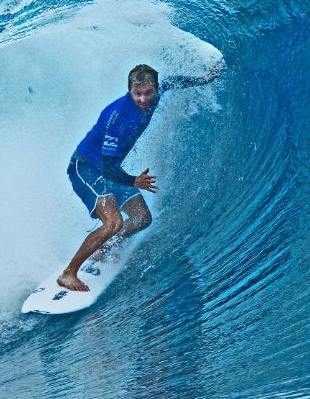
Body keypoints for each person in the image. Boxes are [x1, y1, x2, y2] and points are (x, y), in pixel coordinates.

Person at [59, 60, 222, 291]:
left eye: (148, 93)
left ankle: (102, 249)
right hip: (86, 168)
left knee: (142, 219)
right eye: (137, 94)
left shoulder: (158, 91)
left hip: (111, 171)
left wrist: (206, 77)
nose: (144, 99)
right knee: (114, 222)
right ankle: (69, 273)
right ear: (129, 91)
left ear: (156, 88)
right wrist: (134, 181)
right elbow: (106, 169)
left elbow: (175, 82)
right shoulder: (117, 118)